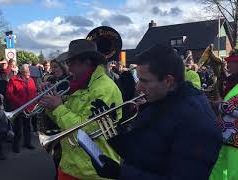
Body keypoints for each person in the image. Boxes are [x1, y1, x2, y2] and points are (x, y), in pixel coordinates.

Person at [91, 44, 222, 179]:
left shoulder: (197, 122)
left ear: (168, 81)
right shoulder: (161, 100)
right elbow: (141, 153)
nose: (138, 87)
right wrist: (112, 129)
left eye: (144, 81)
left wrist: (121, 174)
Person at [39, 39, 122, 179]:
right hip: (70, 166)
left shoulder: (104, 88)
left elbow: (85, 131)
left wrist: (58, 108)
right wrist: (49, 105)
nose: (69, 68)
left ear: (87, 62)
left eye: (72, 63)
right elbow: (64, 122)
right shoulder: (81, 86)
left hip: (92, 172)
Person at [209, 53, 238, 180]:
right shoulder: (231, 82)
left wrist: (220, 105)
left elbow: (232, 107)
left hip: (235, 140)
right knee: (217, 170)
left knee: (234, 173)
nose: (227, 64)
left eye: (231, 62)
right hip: (223, 135)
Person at [5, 64, 38, 153]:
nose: (29, 73)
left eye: (29, 71)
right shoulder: (13, 79)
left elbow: (34, 92)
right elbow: (9, 94)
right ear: (22, 72)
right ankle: (16, 146)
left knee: (28, 126)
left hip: (29, 108)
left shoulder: (31, 80)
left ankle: (27, 143)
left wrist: (34, 104)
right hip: (18, 108)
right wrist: (21, 104)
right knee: (18, 128)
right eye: (27, 72)